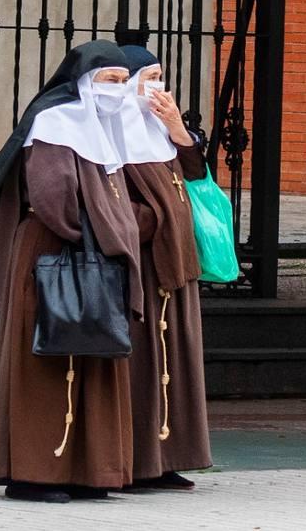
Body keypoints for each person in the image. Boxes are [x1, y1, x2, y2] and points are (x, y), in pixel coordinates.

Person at [0, 40, 142, 503]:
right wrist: (103, 232)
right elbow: (54, 200)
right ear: (84, 81)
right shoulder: (55, 121)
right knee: (44, 364)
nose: (118, 91)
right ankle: (33, 475)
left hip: (91, 251)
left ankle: (88, 472)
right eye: (110, 80)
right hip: (53, 252)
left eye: (124, 82)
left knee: (93, 355)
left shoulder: (101, 128)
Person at [114, 45, 213, 490]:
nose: (157, 87)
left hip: (176, 264)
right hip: (142, 266)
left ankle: (166, 458)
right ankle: (135, 462)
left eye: (160, 77)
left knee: (176, 361)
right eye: (148, 77)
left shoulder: (160, 128)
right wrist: (155, 219)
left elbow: (194, 175)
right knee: (142, 365)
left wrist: (178, 129)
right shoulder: (112, 131)